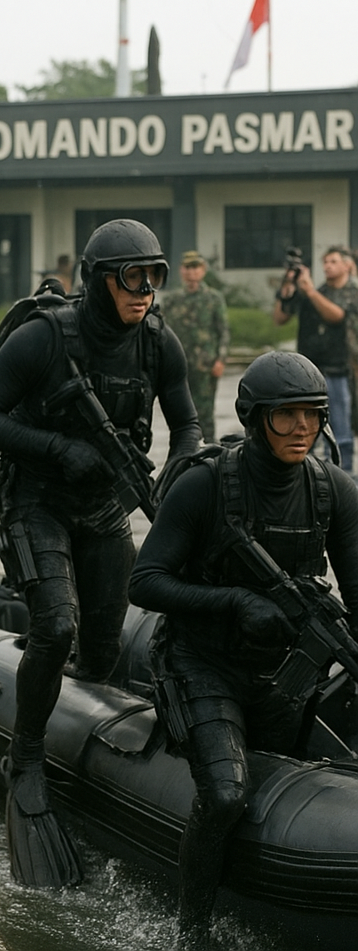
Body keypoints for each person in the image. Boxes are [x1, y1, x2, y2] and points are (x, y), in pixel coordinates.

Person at [0, 219, 201, 887]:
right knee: (57, 623)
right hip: (36, 499)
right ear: (99, 280)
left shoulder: (158, 343)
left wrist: (177, 482)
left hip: (104, 506)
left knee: (100, 642)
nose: (145, 291)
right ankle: (26, 756)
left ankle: (87, 735)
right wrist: (57, 447)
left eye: (155, 277)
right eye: (131, 277)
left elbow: (188, 424)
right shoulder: (44, 339)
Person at [129, 351, 358, 949]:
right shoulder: (206, 485)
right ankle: (192, 932)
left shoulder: (334, 492)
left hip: (282, 673)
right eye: (286, 417)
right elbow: (145, 580)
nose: (302, 429)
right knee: (227, 792)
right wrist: (233, 601)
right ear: (255, 419)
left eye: (312, 414)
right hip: (201, 661)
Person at [273, 245, 358, 471]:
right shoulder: (316, 291)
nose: (328, 266)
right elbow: (280, 317)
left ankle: (344, 472)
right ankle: (309, 471)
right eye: (325, 262)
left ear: (346, 265)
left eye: (333, 261)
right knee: (308, 423)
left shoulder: (352, 292)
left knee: (341, 425)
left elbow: (337, 316)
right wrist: (288, 285)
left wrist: (310, 290)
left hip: (341, 368)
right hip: (311, 369)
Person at [160, 250, 230, 443]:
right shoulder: (172, 300)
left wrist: (220, 360)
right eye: (188, 268)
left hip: (205, 366)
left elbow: (223, 331)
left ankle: (210, 453)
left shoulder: (213, 299)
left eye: (195, 267)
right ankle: (183, 452)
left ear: (203, 270)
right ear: (182, 271)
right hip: (178, 366)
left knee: (205, 413)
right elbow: (162, 332)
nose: (191, 272)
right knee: (179, 413)